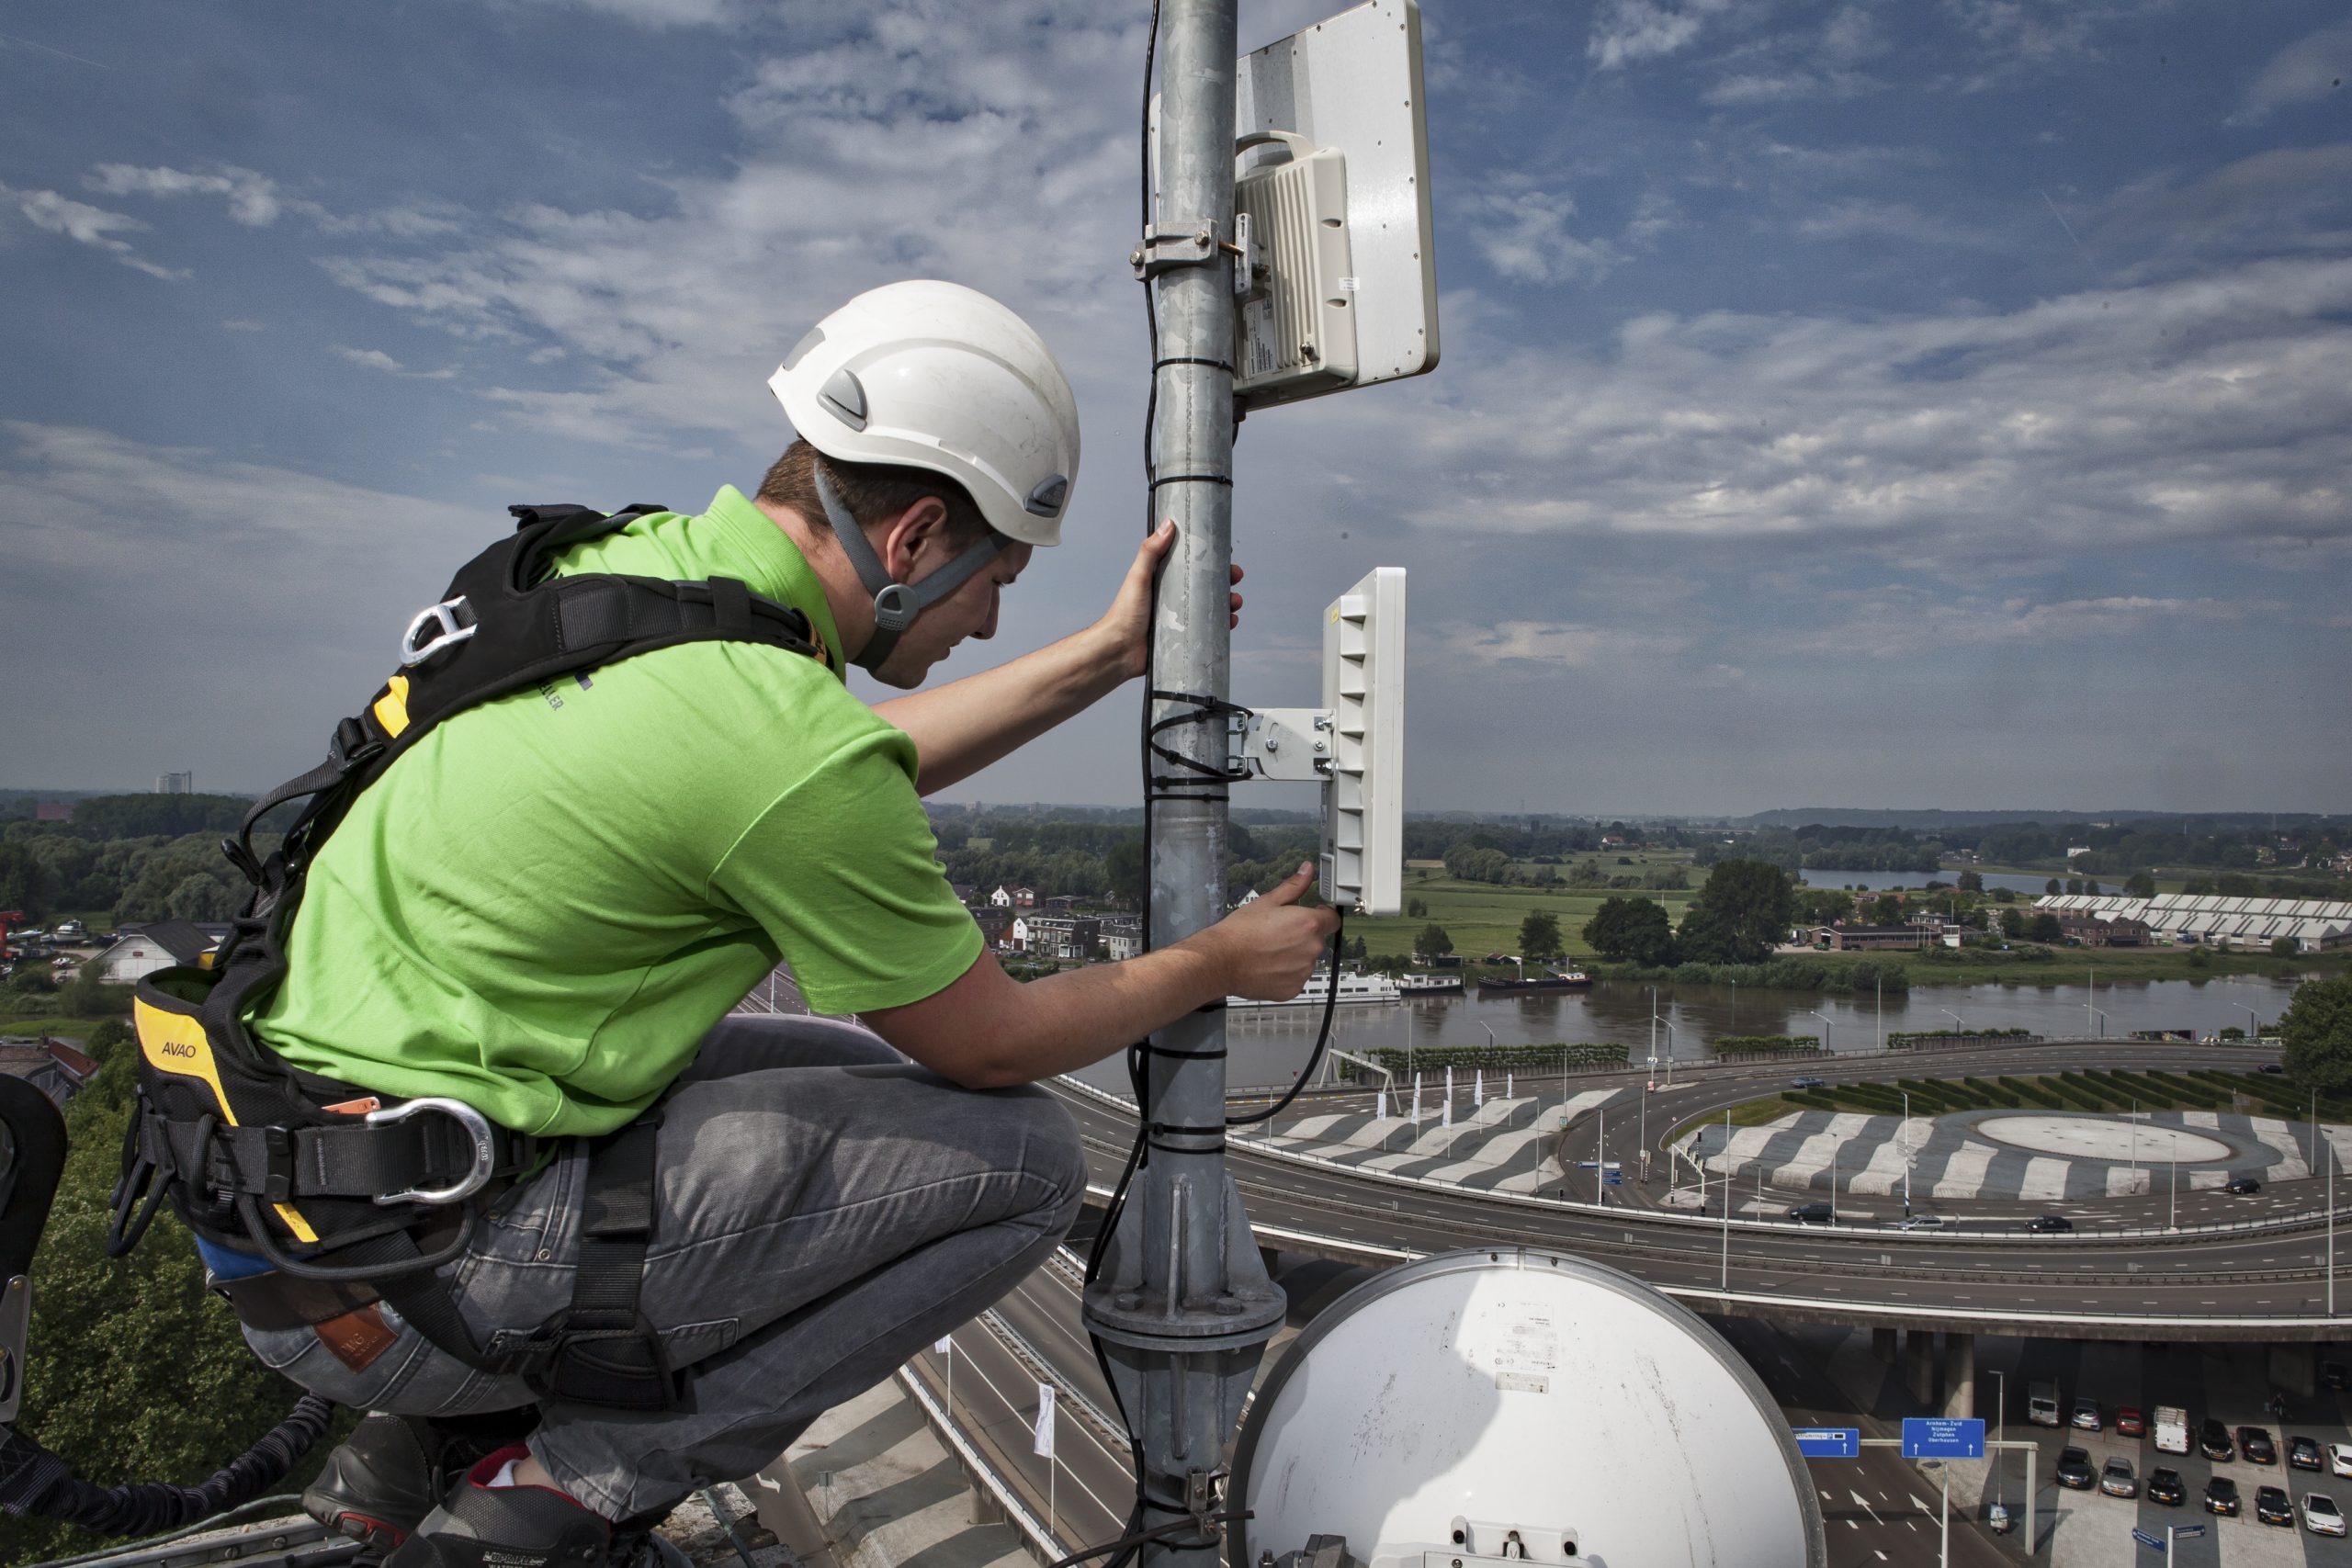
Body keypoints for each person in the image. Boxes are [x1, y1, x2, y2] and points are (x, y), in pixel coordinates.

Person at [243, 280, 1340, 1567]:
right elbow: (992, 1040)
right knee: (1026, 1159)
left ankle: (430, 1432)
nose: (993, 620)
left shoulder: (638, 571)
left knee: (848, 1066)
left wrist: (1106, 656)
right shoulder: (774, 734)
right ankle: (558, 1493)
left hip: (304, 1201)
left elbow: (832, 765)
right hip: (410, 1279)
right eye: (998, 580)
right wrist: (1218, 959)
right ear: (916, 538)